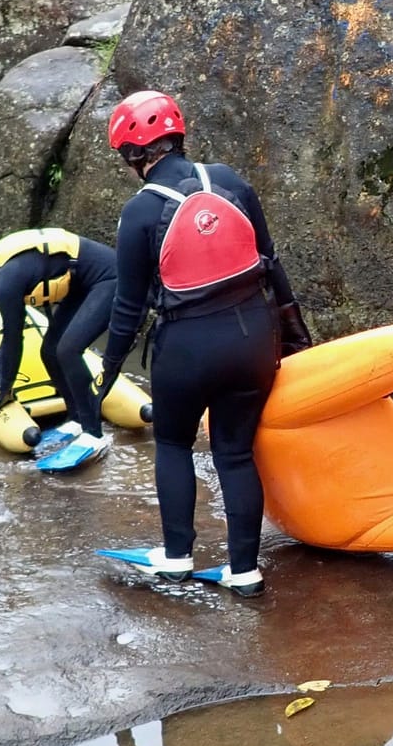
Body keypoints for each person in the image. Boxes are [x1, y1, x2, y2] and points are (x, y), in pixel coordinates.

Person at [94, 90, 310, 598]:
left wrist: (109, 370)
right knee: (235, 453)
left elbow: (128, 307)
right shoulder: (229, 180)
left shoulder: (140, 212)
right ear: (177, 137)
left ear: (133, 154)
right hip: (252, 339)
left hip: (187, 347)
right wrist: (295, 334)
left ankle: (176, 557)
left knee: (173, 443)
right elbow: (271, 262)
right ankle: (245, 571)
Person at [0, 227, 120, 466]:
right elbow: (10, 341)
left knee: (68, 351)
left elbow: (13, 341)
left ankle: (94, 435)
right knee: (50, 351)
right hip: (82, 284)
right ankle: (77, 419)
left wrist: (4, 391)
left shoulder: (7, 283)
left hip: (110, 279)